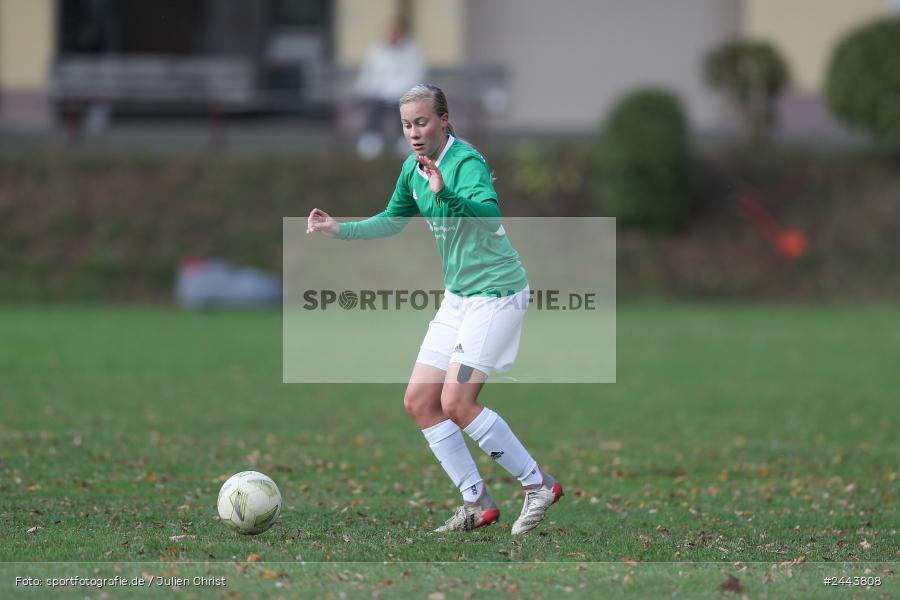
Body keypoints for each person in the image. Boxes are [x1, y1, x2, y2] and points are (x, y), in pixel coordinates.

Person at [306, 84, 563, 534]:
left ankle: (538, 483)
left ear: (444, 119)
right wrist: (338, 230)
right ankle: (476, 503)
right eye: (407, 125)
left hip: (497, 294)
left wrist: (444, 193)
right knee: (421, 400)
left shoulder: (466, 162)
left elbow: (489, 217)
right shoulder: (413, 168)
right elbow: (391, 219)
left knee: (457, 402)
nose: (414, 132)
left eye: (422, 122)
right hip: (460, 298)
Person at [354, 20, 426, 159]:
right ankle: (372, 140)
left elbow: (415, 75)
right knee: (374, 108)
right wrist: (366, 89)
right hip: (379, 95)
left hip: (403, 94)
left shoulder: (412, 51)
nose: (392, 35)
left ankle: (404, 140)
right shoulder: (377, 50)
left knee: (404, 109)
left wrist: (398, 91)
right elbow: (368, 73)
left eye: (395, 32)